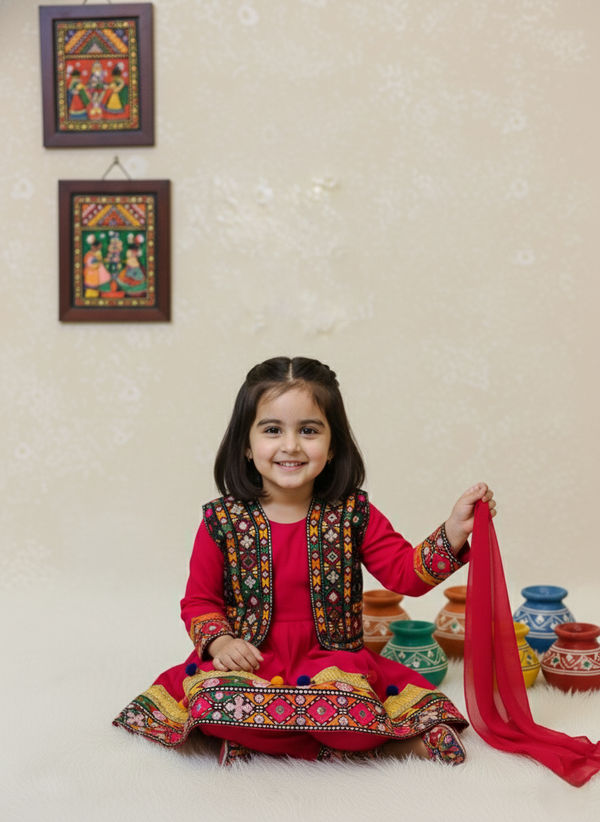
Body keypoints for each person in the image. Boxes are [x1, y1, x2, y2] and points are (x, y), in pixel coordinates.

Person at [114, 356, 496, 766]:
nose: (291, 445)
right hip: (252, 659)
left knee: (346, 711)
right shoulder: (221, 521)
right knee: (215, 706)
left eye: (309, 430)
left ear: (332, 448)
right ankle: (299, 740)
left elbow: (406, 575)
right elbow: (199, 601)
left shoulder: (353, 514)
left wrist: (454, 529)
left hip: (332, 662)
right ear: (246, 444)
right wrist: (222, 643)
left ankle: (366, 742)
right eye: (272, 429)